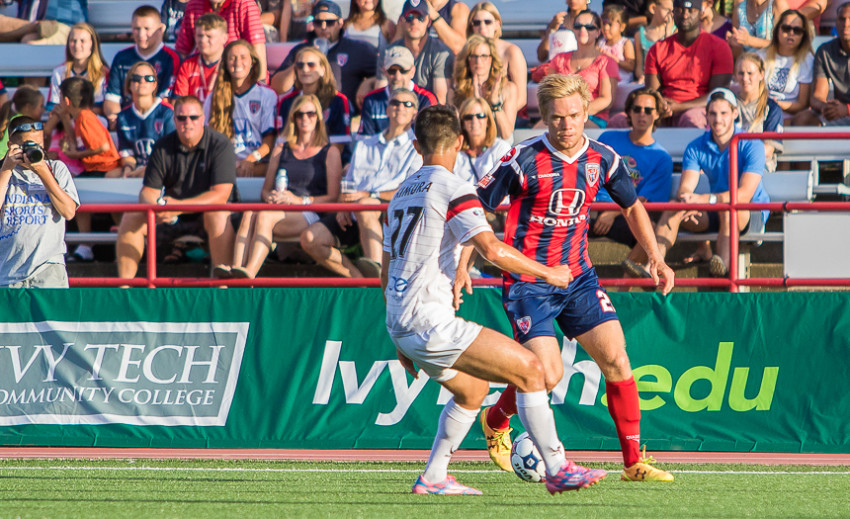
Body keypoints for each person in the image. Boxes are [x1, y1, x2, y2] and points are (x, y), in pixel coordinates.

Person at [382, 103, 607, 496]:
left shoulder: (400, 194)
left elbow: (386, 271)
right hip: (430, 321)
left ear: (416, 145)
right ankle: (557, 467)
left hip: (401, 321)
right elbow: (492, 249)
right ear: (462, 142)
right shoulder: (454, 188)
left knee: (471, 391)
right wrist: (549, 273)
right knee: (532, 370)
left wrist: (399, 337)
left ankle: (434, 476)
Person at [474, 74, 675, 482]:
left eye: (575, 116)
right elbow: (473, 210)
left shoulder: (603, 158)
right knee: (548, 374)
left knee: (617, 358)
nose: (567, 125)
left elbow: (632, 206)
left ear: (587, 112)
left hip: (579, 278)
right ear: (544, 117)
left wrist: (656, 256)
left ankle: (634, 461)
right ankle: (495, 420)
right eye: (557, 118)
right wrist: (462, 265)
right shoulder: (521, 159)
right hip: (530, 283)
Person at [637, 88, 770, 278]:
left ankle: (722, 267)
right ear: (706, 115)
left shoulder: (751, 143)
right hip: (716, 208)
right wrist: (687, 200)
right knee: (675, 207)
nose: (718, 119)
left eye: (723, 113)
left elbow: (744, 195)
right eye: (713, 113)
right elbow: (685, 189)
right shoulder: (696, 146)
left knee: (727, 208)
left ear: (734, 114)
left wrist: (703, 199)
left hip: (750, 212)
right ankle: (654, 266)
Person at [300, 89, 421, 279]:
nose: (400, 107)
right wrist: (342, 205)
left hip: (394, 212)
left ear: (415, 113)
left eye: (407, 104)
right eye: (395, 103)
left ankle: (380, 278)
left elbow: (409, 190)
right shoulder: (365, 144)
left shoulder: (417, 147)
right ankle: (363, 280)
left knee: (365, 206)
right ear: (387, 109)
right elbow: (348, 183)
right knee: (310, 239)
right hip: (356, 210)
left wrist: (368, 196)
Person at [115, 95, 238, 280]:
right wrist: (160, 208)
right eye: (181, 118)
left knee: (217, 214)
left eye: (193, 117)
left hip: (210, 216)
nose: (187, 123)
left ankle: (222, 289)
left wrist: (177, 207)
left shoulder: (220, 144)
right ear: (174, 120)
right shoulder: (162, 146)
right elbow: (148, 192)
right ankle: (124, 288)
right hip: (173, 216)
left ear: (203, 119)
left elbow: (220, 196)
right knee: (131, 216)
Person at [226, 94, 342, 279]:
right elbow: (265, 190)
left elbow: (333, 197)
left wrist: (298, 200)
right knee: (248, 213)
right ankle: (235, 270)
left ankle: (249, 274)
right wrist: (270, 197)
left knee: (264, 216)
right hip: (279, 207)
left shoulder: (330, 151)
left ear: (318, 118)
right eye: (299, 114)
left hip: (310, 211)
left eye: (310, 114)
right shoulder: (281, 149)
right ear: (293, 118)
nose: (305, 118)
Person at [593, 88, 674, 271]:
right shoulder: (607, 138)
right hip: (591, 207)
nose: (641, 114)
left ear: (657, 114)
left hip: (623, 212)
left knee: (650, 229)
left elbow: (644, 200)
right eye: (637, 109)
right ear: (629, 112)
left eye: (648, 110)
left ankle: (622, 288)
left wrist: (612, 213)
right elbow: (590, 175)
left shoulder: (662, 158)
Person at [0, 116, 78, 288]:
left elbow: (68, 212)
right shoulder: (2, 170)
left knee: (52, 316)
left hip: (48, 269)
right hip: (8, 271)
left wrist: (43, 171)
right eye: (27, 146)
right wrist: (6, 169)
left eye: (38, 145)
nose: (34, 151)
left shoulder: (56, 169)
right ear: (11, 145)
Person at [55, 77, 121, 263]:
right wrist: (64, 119)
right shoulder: (79, 117)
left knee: (82, 196)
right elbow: (76, 141)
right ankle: (85, 244)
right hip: (96, 169)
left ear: (67, 101)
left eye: (60, 97)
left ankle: (96, 244)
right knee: (77, 197)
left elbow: (103, 147)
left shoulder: (85, 117)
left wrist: (77, 155)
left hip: (105, 168)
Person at [270, 0, 377, 115]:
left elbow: (383, 74)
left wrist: (368, 83)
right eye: (318, 22)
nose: (323, 27)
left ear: (340, 23)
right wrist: (299, 63)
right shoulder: (301, 50)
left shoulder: (357, 49)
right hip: (306, 115)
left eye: (330, 22)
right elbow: (276, 87)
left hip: (342, 114)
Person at [643, 0, 734, 128]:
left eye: (691, 11)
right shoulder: (657, 49)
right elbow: (652, 92)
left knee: (690, 119)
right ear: (673, 13)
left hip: (699, 109)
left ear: (700, 13)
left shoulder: (719, 47)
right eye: (680, 10)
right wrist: (662, 105)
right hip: (665, 109)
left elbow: (717, 94)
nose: (685, 15)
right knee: (625, 120)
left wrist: (679, 107)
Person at [532, 10, 620, 128]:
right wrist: (563, 113)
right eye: (578, 26)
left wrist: (576, 114)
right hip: (560, 116)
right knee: (535, 133)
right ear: (573, 29)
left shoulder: (607, 61)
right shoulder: (559, 59)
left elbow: (606, 99)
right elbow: (548, 93)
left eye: (589, 27)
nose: (583, 30)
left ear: (598, 32)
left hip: (593, 117)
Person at [207, 39, 277, 177]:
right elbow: (207, 137)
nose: (237, 62)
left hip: (257, 163)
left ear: (253, 62)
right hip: (224, 163)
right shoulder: (214, 96)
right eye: (232, 58)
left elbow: (269, 141)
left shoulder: (267, 95)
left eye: (243, 57)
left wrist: (249, 160)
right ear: (225, 64)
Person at [104, 6, 180, 127]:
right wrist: (118, 119)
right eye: (136, 28)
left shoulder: (171, 58)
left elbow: (167, 102)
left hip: (157, 124)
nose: (141, 34)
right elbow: (111, 99)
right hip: (126, 121)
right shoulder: (121, 57)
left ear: (160, 29)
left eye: (147, 29)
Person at [375, 0, 453, 104]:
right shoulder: (388, 52)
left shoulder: (440, 52)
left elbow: (441, 100)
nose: (414, 22)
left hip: (426, 112)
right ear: (401, 20)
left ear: (428, 21)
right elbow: (380, 94)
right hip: (394, 110)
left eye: (420, 18)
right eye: (409, 18)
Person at [275, 47, 351, 145]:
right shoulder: (287, 102)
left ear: (323, 70)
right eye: (300, 65)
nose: (305, 69)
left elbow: (340, 144)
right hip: (294, 156)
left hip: (327, 157)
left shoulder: (338, 100)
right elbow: (282, 142)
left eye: (311, 65)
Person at [175, 0, 268, 81]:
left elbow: (258, 50)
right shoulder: (193, 5)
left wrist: (260, 84)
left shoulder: (244, 4)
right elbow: (182, 51)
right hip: (200, 78)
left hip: (236, 78)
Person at [791, 2, 850, 126]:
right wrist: (826, 107)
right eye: (842, 19)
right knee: (803, 119)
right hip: (839, 114)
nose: (846, 24)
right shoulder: (825, 51)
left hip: (845, 111)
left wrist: (847, 109)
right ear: (836, 23)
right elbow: (817, 96)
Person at [358, 45, 437, 137]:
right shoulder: (371, 100)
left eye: (403, 71)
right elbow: (366, 140)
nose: (397, 77)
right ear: (384, 71)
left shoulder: (426, 99)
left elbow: (430, 140)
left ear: (412, 71)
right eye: (392, 71)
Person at [450, 35, 519, 139]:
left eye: (484, 56)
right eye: (474, 56)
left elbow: (506, 134)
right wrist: (473, 103)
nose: (478, 61)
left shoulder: (508, 88)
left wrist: (495, 104)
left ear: (492, 59)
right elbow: (455, 133)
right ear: (467, 60)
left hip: (499, 148)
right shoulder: (455, 91)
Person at [116, 62, 177, 179]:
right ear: (129, 84)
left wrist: (146, 169)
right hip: (137, 168)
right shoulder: (123, 116)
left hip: (163, 167)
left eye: (148, 78)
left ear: (154, 85)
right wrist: (128, 169)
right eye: (136, 78)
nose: (142, 82)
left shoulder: (167, 112)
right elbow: (127, 154)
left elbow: (172, 153)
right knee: (111, 175)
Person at [466, 2, 528, 110]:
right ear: (472, 27)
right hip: (473, 115)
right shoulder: (466, 52)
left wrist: (497, 115)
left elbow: (521, 99)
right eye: (477, 23)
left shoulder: (511, 51)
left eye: (487, 22)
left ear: (497, 24)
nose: (482, 27)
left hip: (505, 114)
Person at [759, 9, 813, 119]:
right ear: (777, 29)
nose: (791, 33)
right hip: (761, 114)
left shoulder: (808, 60)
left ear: (803, 35)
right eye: (786, 28)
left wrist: (777, 105)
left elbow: (803, 104)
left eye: (797, 30)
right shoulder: (760, 56)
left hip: (790, 118)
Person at [734, 53, 783, 172]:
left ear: (761, 75)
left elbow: (768, 148)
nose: (745, 78)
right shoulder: (729, 104)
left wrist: (741, 156)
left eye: (750, 73)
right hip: (730, 162)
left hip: (759, 165)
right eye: (741, 73)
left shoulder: (771, 108)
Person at [47, 23, 108, 113]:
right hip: (64, 121)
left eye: (82, 41)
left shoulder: (102, 73)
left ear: (92, 44)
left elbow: (99, 108)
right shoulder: (59, 72)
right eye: (73, 41)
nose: (77, 45)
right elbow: (52, 107)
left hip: (91, 121)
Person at [172, 12, 229, 103]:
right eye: (200, 36)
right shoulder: (188, 64)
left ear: (224, 38)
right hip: (194, 116)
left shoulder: (231, 64)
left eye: (209, 36)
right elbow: (178, 103)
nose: (203, 40)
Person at [454, 97, 511, 184]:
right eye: (468, 117)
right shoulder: (456, 152)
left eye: (480, 116)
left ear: (488, 121)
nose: (474, 121)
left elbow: (505, 184)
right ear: (462, 123)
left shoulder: (501, 148)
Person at [0, 0, 87, 44]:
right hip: (28, 27)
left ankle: (37, 26)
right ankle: (36, 26)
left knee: (29, 41)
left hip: (64, 28)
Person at [634, 0, 676, 84]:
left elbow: (672, 59)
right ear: (653, 8)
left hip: (667, 78)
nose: (671, 14)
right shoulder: (640, 34)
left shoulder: (675, 31)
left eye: (673, 11)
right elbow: (639, 66)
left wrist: (668, 34)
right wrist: (642, 76)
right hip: (647, 78)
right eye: (668, 10)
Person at [0, 86, 45, 157]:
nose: (43, 109)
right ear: (28, 107)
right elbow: (47, 131)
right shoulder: (22, 124)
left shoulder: (14, 118)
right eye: (41, 106)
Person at [599, 4, 636, 84]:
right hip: (604, 82)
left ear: (622, 27)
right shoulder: (600, 43)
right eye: (604, 24)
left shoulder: (625, 43)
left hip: (622, 83)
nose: (606, 28)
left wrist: (613, 58)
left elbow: (631, 66)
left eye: (610, 24)